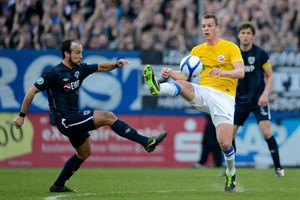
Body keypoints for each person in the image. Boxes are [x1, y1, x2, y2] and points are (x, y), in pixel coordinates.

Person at [14, 39, 167, 193]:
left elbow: (100, 66)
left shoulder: (80, 69)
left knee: (84, 153)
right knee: (108, 116)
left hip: (73, 118)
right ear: (66, 54)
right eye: (77, 52)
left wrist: (116, 64)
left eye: (81, 52)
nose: (81, 56)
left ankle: (58, 185)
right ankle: (145, 142)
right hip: (64, 120)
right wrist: (22, 115)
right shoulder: (53, 73)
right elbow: (31, 91)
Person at [143, 13, 245, 192]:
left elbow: (241, 72)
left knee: (225, 143)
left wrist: (223, 73)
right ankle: (158, 87)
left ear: (217, 28)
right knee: (182, 84)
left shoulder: (231, 47)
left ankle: (231, 172)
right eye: (203, 26)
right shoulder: (197, 50)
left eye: (209, 25)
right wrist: (171, 72)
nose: (205, 29)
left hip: (225, 97)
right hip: (204, 92)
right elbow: (184, 75)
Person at [231, 21, 284, 177]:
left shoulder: (260, 53)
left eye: (249, 33)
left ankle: (279, 168)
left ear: (253, 36)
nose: (246, 36)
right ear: (238, 35)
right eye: (243, 33)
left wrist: (265, 94)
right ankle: (230, 169)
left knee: (266, 132)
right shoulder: (233, 54)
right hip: (239, 100)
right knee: (230, 135)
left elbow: (270, 75)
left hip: (258, 99)